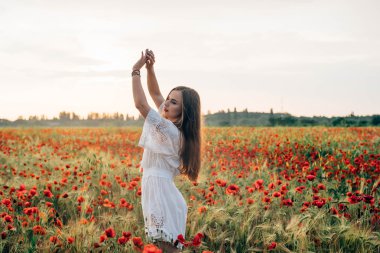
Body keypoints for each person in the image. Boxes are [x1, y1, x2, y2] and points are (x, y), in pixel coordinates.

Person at [132, 49, 202, 252]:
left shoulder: (170, 131)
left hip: (161, 194)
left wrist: (135, 71)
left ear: (184, 111)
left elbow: (140, 103)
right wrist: (151, 69)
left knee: (167, 248)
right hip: (158, 191)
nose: (166, 104)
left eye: (173, 102)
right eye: (168, 99)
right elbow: (154, 94)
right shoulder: (172, 127)